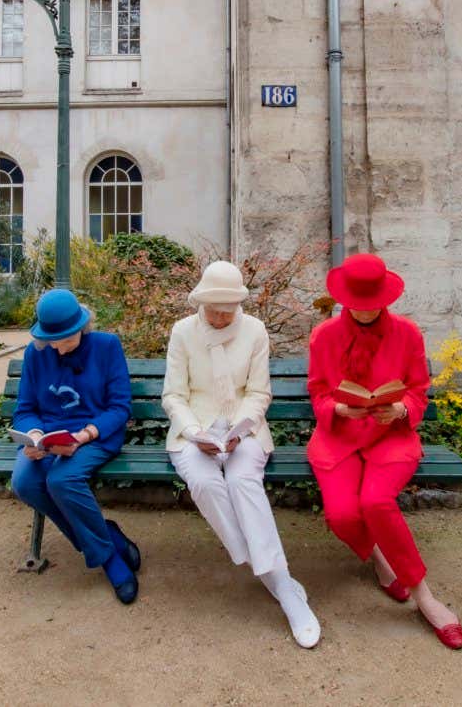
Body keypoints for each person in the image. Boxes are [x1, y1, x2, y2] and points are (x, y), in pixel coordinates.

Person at [306, 253, 462, 649]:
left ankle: (424, 596)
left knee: (376, 503)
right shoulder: (324, 335)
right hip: (340, 436)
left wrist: (400, 409)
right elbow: (318, 391)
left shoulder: (407, 333)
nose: (364, 311)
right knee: (342, 515)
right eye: (357, 305)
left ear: (385, 298)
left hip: (389, 437)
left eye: (372, 304)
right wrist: (339, 408)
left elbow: (417, 389)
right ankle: (380, 557)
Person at [161, 261, 321, 648]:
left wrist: (242, 427)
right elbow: (173, 395)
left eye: (227, 311)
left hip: (242, 428)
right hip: (195, 428)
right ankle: (275, 576)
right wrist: (195, 432)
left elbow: (259, 392)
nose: (220, 318)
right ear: (201, 302)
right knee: (203, 481)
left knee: (241, 479)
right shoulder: (183, 332)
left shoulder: (254, 330)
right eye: (214, 310)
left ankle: (285, 593)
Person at [9, 289, 141, 603]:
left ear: (83, 326)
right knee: (24, 482)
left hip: (94, 434)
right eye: (51, 339)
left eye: (66, 337)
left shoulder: (107, 346)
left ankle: (110, 561)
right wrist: (35, 435)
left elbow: (120, 407)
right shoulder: (36, 353)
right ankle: (107, 537)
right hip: (49, 439)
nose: (57, 345)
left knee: (62, 479)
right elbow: (25, 409)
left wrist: (84, 435)